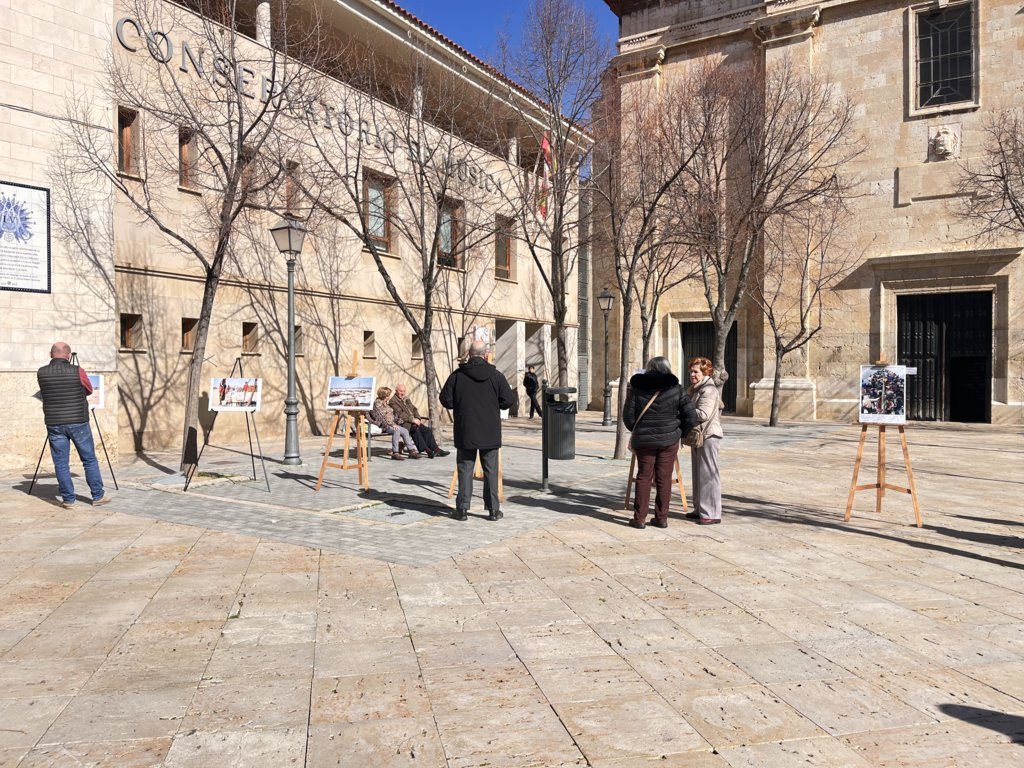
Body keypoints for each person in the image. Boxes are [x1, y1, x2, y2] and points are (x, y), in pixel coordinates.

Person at [440, 340, 515, 521]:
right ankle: (493, 510)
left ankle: (462, 509)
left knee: (465, 469)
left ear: (469, 354)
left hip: (466, 430)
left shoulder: (458, 375)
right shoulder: (496, 375)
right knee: (491, 471)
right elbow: (508, 401)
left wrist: (460, 403)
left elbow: (446, 400)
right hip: (489, 431)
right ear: (486, 354)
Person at [623, 356, 697, 529]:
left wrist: (638, 429)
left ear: (649, 368)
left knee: (644, 477)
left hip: (644, 440)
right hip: (669, 440)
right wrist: (680, 432)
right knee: (664, 478)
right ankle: (661, 518)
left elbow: (628, 416)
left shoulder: (637, 387)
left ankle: (639, 519)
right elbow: (691, 416)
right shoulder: (676, 388)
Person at [36, 342, 110, 509]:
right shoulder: (78, 371)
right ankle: (98, 496)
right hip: (78, 421)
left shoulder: (41, 372)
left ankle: (68, 499)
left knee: (61, 463)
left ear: (50, 354)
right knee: (89, 459)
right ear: (69, 356)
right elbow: (89, 390)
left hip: (54, 423)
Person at [686, 356, 724, 525]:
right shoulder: (696, 389)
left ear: (705, 372)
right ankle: (700, 509)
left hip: (709, 435)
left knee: (708, 474)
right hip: (699, 436)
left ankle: (712, 512)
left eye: (695, 371)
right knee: (698, 474)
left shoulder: (708, 390)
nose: (692, 374)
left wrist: (684, 410)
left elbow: (703, 414)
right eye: (691, 371)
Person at [391, 384, 450, 458]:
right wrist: (413, 420)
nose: (402, 393)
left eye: (404, 391)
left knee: (427, 430)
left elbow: (414, 409)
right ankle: (427, 450)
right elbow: (400, 414)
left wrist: (418, 418)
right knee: (415, 430)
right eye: (400, 391)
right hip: (403, 423)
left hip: (413, 422)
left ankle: (436, 449)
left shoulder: (406, 399)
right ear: (396, 391)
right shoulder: (393, 401)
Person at [371, 386, 421, 460]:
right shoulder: (377, 404)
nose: (390, 396)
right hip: (383, 425)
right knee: (396, 430)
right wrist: (392, 424)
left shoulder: (386, 403)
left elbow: (393, 416)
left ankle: (411, 451)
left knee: (405, 430)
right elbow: (381, 418)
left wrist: (399, 421)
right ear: (385, 395)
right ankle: (395, 452)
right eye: (389, 395)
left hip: (391, 424)